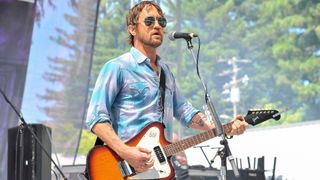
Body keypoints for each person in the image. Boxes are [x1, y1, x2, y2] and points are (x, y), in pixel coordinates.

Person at [85, 0, 248, 178]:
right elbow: (95, 118)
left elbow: (185, 111)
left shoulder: (166, 72)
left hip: (159, 167)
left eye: (161, 22)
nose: (157, 26)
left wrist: (223, 127)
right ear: (132, 29)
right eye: (149, 21)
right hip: (124, 167)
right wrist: (125, 152)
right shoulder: (117, 67)